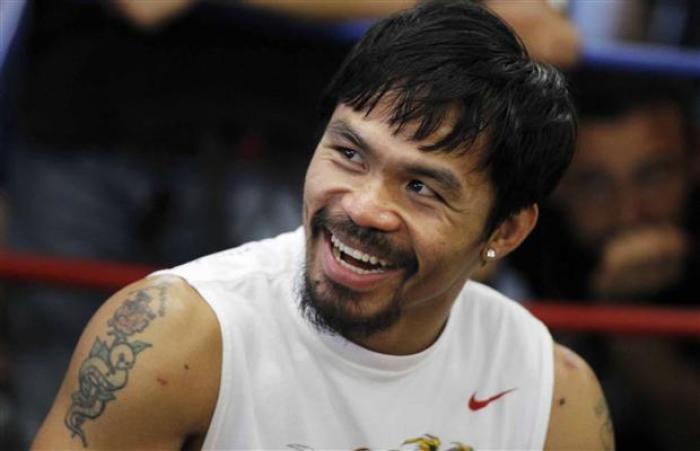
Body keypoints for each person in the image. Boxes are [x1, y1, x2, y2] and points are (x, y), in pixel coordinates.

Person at [31, 2, 611, 449]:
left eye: (420, 188)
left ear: (506, 232)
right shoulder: (168, 341)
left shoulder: (552, 395)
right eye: (350, 154)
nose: (361, 207)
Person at [512, 69, 699, 449]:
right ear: (557, 181)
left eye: (654, 176)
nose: (629, 213)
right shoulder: (514, 233)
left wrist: (624, 314)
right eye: (596, 184)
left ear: (695, 164)